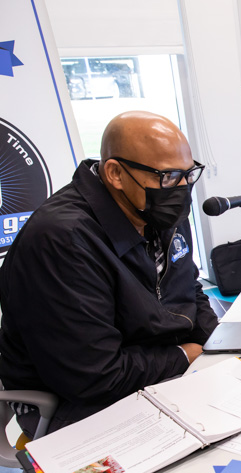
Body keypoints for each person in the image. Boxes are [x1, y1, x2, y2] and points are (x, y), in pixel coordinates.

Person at [0, 111, 218, 436]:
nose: (182, 188)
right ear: (116, 173)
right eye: (169, 176)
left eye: (189, 174)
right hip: (76, 403)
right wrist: (187, 354)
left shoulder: (155, 207)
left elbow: (188, 291)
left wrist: (222, 345)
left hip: (153, 366)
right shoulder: (63, 240)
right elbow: (94, 377)